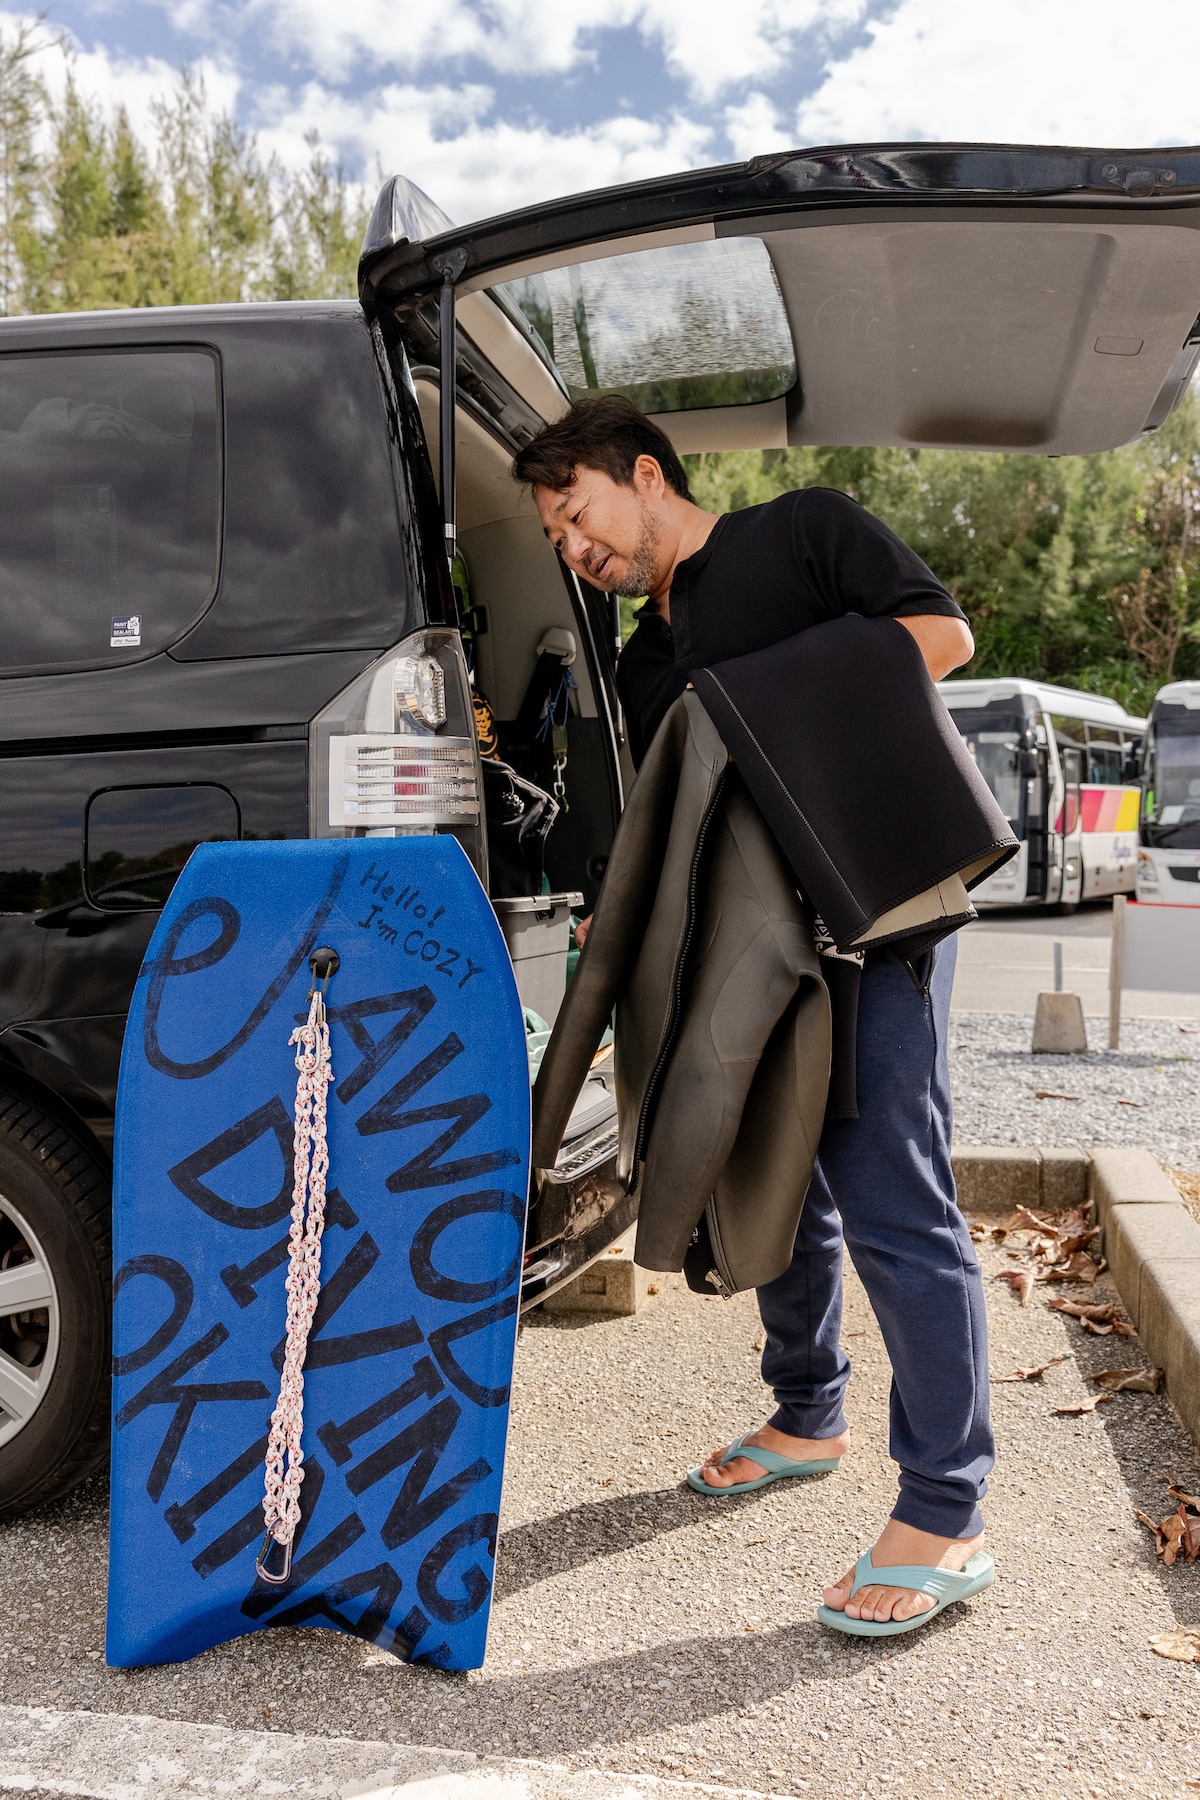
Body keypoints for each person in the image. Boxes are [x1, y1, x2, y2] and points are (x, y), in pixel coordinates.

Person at [511, 396, 993, 1635]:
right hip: (743, 947)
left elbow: (941, 636)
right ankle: (808, 1410)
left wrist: (759, 711)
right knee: (777, 1171)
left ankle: (947, 1509)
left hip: (872, 920)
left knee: (892, 1197)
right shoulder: (634, 656)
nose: (577, 552)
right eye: (559, 540)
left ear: (646, 474)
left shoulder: (805, 534)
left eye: (578, 517)